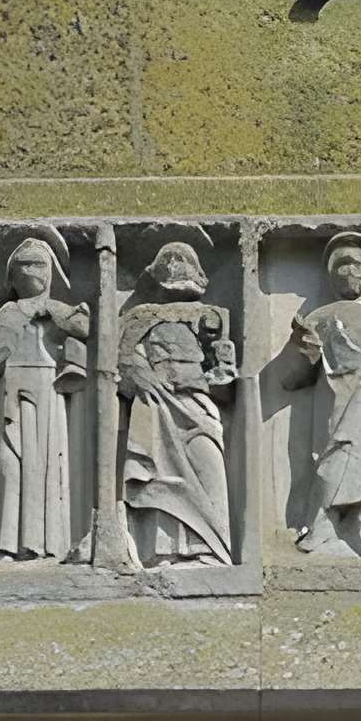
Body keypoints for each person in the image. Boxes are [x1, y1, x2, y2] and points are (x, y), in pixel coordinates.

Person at [282, 231, 361, 556]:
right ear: (331, 274)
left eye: (359, 266)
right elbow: (292, 378)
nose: (351, 273)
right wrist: (303, 349)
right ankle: (323, 523)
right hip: (334, 400)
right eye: (343, 266)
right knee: (332, 460)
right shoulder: (319, 317)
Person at [118, 235, 238, 565]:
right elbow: (122, 362)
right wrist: (140, 370)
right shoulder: (138, 317)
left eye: (184, 261)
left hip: (198, 406)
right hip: (155, 407)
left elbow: (225, 383)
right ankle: (162, 553)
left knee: (209, 469)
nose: (176, 266)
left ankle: (210, 553)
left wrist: (223, 366)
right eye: (169, 261)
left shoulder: (209, 317)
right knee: (160, 476)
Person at [0, 235, 90, 561]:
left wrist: (55, 314)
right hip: (6, 394)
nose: (30, 270)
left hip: (49, 392)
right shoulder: (0, 316)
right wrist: (8, 327)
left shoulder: (62, 312)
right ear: (10, 276)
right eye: (22, 265)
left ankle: (49, 546)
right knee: (10, 466)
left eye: (38, 263)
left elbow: (90, 330)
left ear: (51, 272)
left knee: (47, 468)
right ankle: (6, 546)